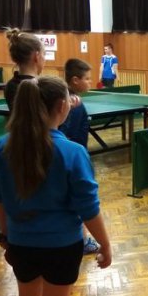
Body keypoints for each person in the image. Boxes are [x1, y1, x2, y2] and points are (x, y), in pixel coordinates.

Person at [0, 76, 112, 296]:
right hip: (62, 247)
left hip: (21, 244)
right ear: (61, 106)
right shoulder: (72, 152)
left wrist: (6, 235)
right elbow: (89, 208)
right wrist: (105, 244)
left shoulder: (2, 148)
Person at [60, 58, 100, 254]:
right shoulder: (72, 105)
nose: (90, 82)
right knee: (80, 200)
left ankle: (79, 239)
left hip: (72, 158)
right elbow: (68, 135)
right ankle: (81, 241)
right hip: (74, 161)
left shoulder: (67, 100)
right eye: (87, 78)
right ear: (75, 80)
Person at [4, 28, 45, 109]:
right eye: (44, 54)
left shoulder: (10, 85)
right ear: (37, 56)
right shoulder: (41, 87)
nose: (44, 59)